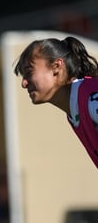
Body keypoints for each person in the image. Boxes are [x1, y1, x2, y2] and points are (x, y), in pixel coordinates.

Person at [14, 36, 98, 168]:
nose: (24, 83)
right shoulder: (75, 109)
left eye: (29, 72)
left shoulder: (90, 98)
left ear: (57, 67)